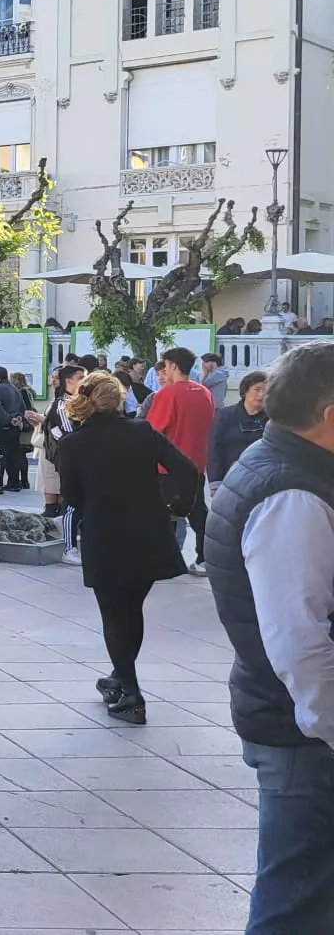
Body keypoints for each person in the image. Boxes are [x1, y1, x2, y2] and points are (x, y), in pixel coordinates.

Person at [202, 342, 334, 931]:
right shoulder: (292, 493)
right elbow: (301, 646)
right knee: (296, 902)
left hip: (296, 726)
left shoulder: (280, 465)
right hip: (305, 735)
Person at [58, 371, 201, 725]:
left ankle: (132, 693)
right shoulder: (142, 431)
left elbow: (72, 496)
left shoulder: (73, 444)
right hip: (148, 532)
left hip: (105, 534)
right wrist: (179, 507)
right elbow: (187, 470)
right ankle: (120, 678)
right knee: (131, 609)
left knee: (113, 613)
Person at [150, 347, 217, 574]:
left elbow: (153, 432)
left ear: (173, 366)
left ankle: (164, 562)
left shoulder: (166, 395)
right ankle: (204, 558)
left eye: (166, 366)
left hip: (167, 467)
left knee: (162, 515)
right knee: (198, 513)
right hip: (196, 463)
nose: (163, 371)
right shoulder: (204, 392)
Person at [35, 364, 84, 519]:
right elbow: (67, 433)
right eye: (81, 378)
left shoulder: (79, 401)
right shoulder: (63, 403)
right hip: (68, 457)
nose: (85, 382)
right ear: (69, 381)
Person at [209, 369, 269, 486]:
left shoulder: (273, 419)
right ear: (245, 391)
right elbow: (215, 449)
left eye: (266, 391)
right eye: (257, 389)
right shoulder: (224, 415)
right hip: (231, 477)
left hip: (263, 480)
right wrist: (215, 481)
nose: (261, 395)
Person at [0, 366, 30, 490]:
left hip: (1, 427)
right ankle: (14, 483)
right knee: (13, 456)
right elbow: (22, 407)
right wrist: (18, 418)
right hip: (14, 429)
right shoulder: (15, 389)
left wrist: (9, 419)